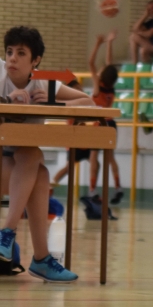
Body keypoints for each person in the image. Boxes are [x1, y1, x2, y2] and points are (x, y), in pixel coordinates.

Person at [0, 26, 93, 282]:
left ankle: (11, 237)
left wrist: (56, 103)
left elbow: (88, 101)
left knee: (37, 168)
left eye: (21, 53)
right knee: (35, 167)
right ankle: (38, 257)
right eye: (9, 52)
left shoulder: (44, 84)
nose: (12, 59)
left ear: (35, 61)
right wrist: (6, 101)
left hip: (17, 167)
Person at [52, 34, 123, 206]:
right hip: (108, 124)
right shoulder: (111, 88)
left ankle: (92, 190)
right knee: (107, 158)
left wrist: (98, 44)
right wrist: (109, 43)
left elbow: (92, 63)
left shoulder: (97, 88)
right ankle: (117, 187)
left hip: (98, 124)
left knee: (94, 158)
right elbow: (109, 64)